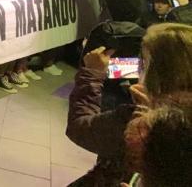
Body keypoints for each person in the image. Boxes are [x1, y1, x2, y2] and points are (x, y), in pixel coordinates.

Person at [66, 23, 192, 186]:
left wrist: (92, 74)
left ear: (161, 74)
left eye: (143, 63)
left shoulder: (148, 122)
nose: (137, 67)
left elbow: (80, 127)